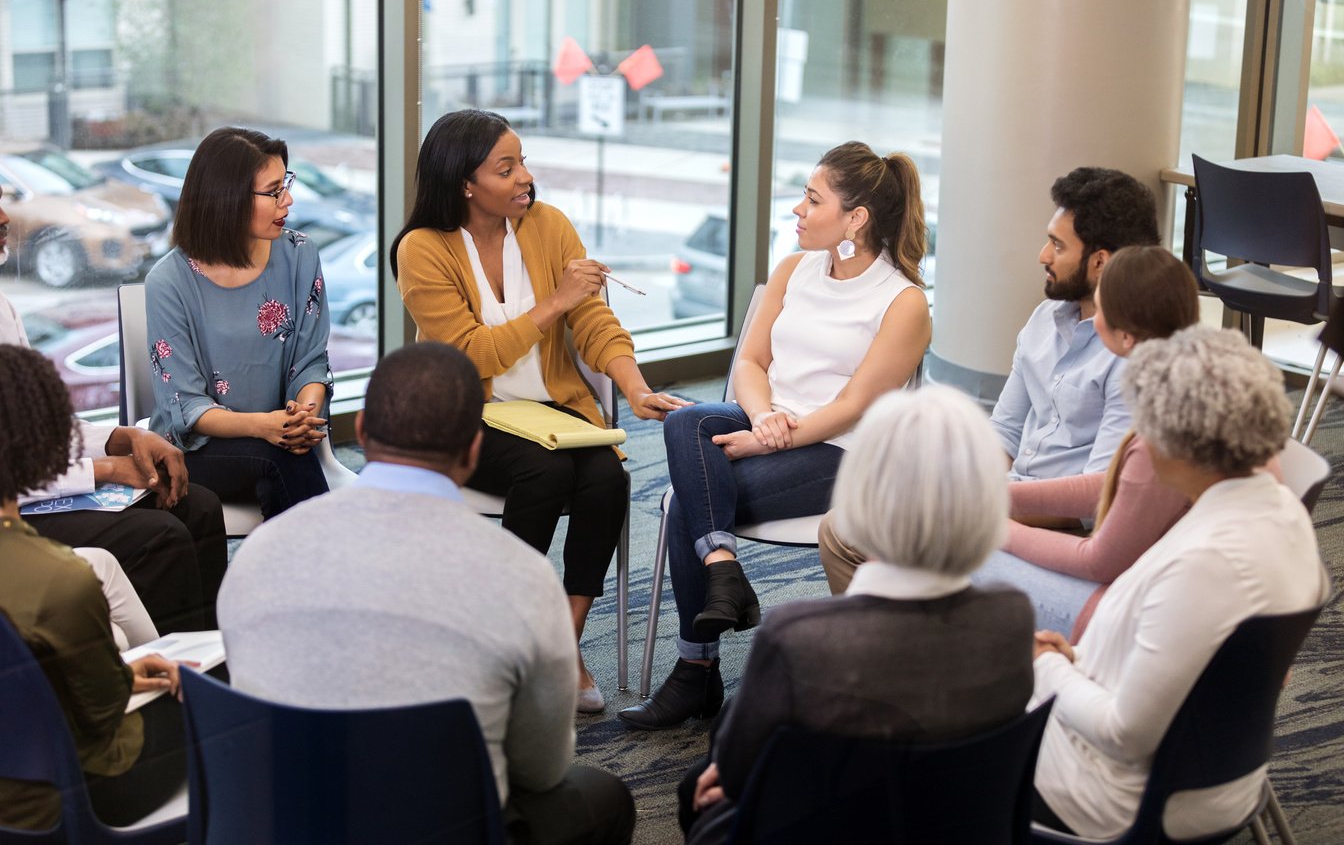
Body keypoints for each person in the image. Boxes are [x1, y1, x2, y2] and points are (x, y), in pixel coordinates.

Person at [218, 342, 635, 845]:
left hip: (280, 822)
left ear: (364, 430)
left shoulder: (260, 553)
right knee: (605, 798)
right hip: (441, 825)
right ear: (475, 450)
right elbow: (541, 768)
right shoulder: (522, 577)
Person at [619, 141, 931, 730]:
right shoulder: (793, 268)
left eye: (813, 200)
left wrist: (772, 440)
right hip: (775, 417)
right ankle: (723, 569)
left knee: (692, 498)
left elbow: (856, 404)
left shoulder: (904, 302)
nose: (798, 210)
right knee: (687, 421)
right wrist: (762, 419)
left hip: (844, 453)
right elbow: (751, 364)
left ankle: (695, 672)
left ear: (855, 219)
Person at [393, 109, 690, 713]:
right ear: (465, 183)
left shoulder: (548, 225)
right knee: (547, 473)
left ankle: (559, 641)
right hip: (466, 417)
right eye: (507, 168)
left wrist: (632, 388)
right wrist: (556, 300)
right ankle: (516, 627)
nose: (525, 177)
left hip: (553, 411)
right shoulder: (421, 249)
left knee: (608, 477)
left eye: (523, 161)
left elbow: (594, 323)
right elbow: (471, 353)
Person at [678, 386, 1035, 843]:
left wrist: (731, 772)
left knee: (699, 783)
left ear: (858, 497)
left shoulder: (799, 640)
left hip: (827, 825)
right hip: (951, 822)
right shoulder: (1012, 616)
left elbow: (738, 772)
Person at [1031, 326, 1330, 840]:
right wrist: (1073, 663)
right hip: (1215, 772)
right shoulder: (1280, 511)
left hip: (1114, 796)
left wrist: (1051, 668)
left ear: (1174, 442)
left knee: (943, 744)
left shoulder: (1208, 562)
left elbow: (1126, 734)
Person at [820, 246, 1202, 641]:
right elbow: (1105, 486)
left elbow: (1100, 557)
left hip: (1121, 611)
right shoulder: (1177, 393)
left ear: (1125, 335)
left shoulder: (1160, 434)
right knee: (900, 543)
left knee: (916, 552)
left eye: (1100, 314)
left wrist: (987, 520)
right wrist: (990, 495)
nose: (1090, 323)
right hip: (1134, 588)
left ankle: (902, 666)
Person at [0, 197, 224, 632]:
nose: (5, 218)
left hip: (32, 487)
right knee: (160, 538)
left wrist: (122, 438)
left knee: (198, 507)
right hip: (11, 512)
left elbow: (32, 429)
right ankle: (163, 681)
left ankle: (208, 664)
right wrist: (104, 471)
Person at [0, 344, 187, 831]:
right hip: (57, 802)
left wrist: (120, 668)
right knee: (217, 701)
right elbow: (103, 717)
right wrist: (121, 674)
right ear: (43, 448)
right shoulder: (59, 580)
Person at [145, 127, 332, 520]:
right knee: (279, 461)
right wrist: (265, 428)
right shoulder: (169, 282)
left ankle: (294, 576)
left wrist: (301, 417)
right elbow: (186, 405)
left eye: (287, 184)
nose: (289, 200)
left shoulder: (299, 255)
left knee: (281, 459)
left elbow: (311, 361)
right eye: (274, 190)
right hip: (198, 450)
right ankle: (326, 573)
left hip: (280, 434)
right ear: (227, 198)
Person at [989, 166, 1160, 481]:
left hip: (1057, 520)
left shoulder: (1133, 358)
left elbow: (1096, 494)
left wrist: (998, 504)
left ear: (1100, 262)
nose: (1043, 256)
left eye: (1057, 246)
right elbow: (1004, 430)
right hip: (1009, 498)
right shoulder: (1043, 318)